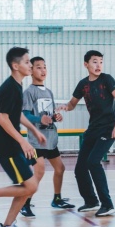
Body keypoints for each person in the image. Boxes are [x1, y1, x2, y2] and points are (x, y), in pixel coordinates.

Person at [0, 47, 47, 227]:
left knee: (30, 183)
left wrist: (34, 130)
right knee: (30, 186)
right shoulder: (9, 89)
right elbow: (3, 119)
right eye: (27, 62)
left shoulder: (17, 86)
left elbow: (16, 115)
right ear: (16, 66)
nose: (30, 65)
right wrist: (23, 142)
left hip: (13, 145)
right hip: (7, 147)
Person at [60, 50, 115, 217]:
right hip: (93, 129)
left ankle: (107, 204)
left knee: (93, 162)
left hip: (108, 128)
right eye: (95, 61)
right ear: (86, 64)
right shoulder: (83, 84)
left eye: (101, 62)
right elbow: (72, 103)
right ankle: (91, 201)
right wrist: (65, 107)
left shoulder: (107, 79)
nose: (98, 65)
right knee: (80, 168)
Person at [19, 56, 75, 218]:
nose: (43, 70)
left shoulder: (49, 92)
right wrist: (39, 119)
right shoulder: (29, 92)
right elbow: (25, 115)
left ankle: (57, 199)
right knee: (39, 172)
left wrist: (56, 117)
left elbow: (49, 114)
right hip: (36, 141)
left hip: (50, 139)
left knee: (60, 168)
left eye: (44, 67)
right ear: (31, 71)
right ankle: (24, 203)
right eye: (38, 67)